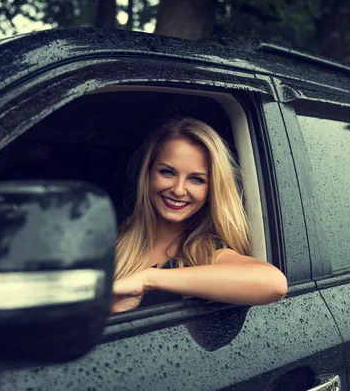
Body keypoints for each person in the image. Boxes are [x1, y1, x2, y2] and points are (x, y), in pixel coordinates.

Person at [111, 117, 287, 313]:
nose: (178, 190)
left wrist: (147, 280)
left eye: (196, 179)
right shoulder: (115, 234)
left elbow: (274, 283)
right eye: (167, 172)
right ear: (149, 173)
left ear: (212, 189)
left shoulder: (206, 254)